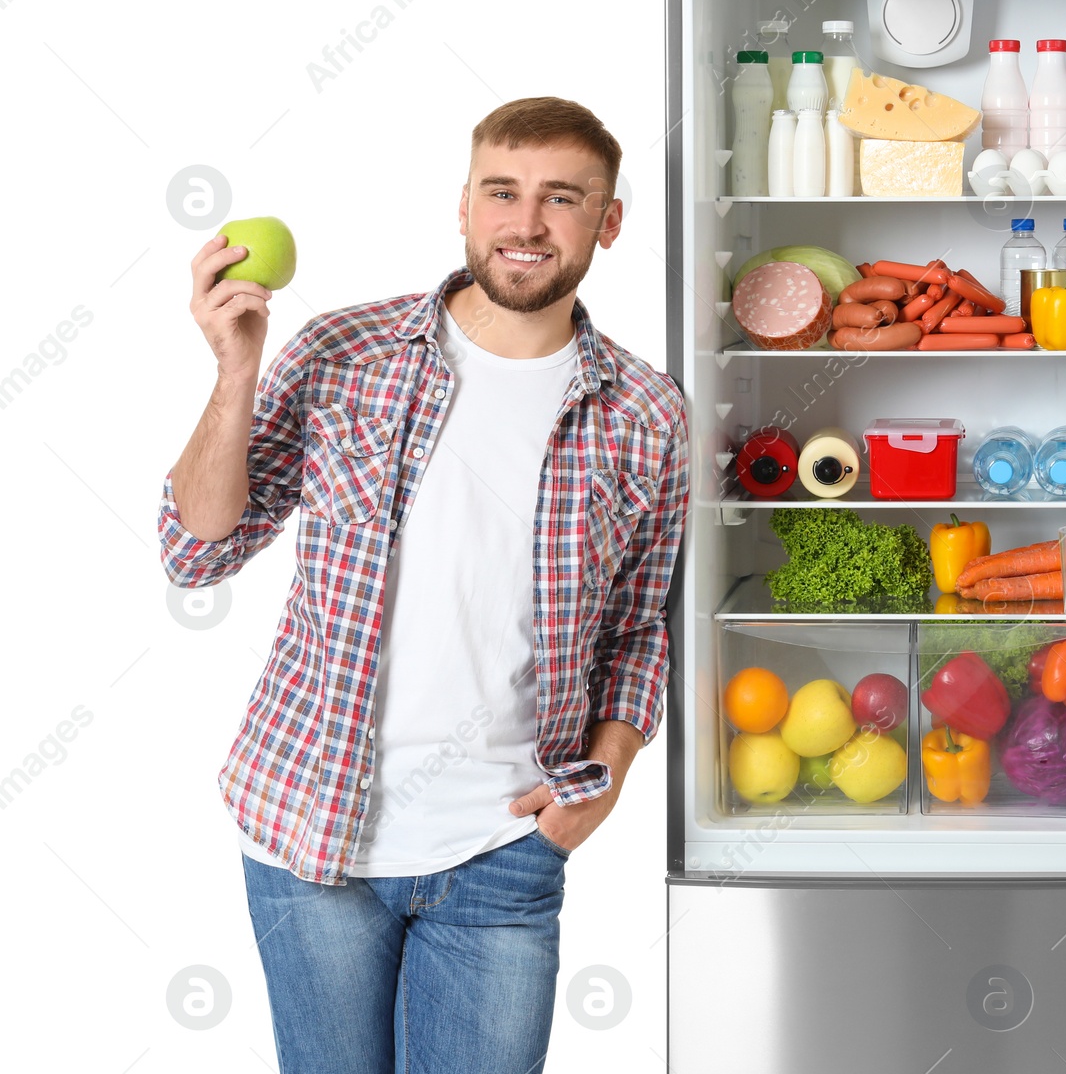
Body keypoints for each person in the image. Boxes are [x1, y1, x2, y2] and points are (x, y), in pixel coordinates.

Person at [157, 97, 688, 1073]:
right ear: (463, 205)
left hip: (504, 850)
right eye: (502, 191)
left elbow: (640, 625)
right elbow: (198, 551)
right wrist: (236, 373)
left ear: (607, 222)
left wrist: (601, 781)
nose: (525, 224)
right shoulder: (343, 354)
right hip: (308, 836)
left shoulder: (646, 411)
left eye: (561, 198)